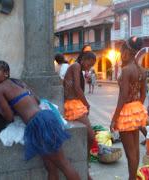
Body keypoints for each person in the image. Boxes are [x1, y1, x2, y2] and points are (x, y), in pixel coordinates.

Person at [0, 60, 80, 180]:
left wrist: (2, 113)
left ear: (5, 73)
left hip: (38, 125)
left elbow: (9, 116)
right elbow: (37, 101)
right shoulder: (19, 82)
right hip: (46, 117)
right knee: (50, 166)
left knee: (63, 164)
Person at [110, 36, 147, 180]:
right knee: (136, 151)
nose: (120, 55)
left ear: (126, 51)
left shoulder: (126, 70)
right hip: (136, 109)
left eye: (121, 51)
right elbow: (143, 95)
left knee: (130, 153)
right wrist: (136, 110)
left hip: (126, 112)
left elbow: (123, 96)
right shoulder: (141, 70)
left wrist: (114, 119)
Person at [63, 45, 96, 180]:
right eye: (90, 63)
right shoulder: (76, 66)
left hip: (74, 104)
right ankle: (85, 166)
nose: (90, 67)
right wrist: (86, 104)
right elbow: (77, 88)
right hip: (72, 105)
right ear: (84, 59)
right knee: (91, 136)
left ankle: (85, 164)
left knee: (90, 136)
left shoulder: (77, 68)